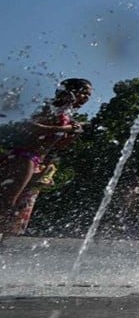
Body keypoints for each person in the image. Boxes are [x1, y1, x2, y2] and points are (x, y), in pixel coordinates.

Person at [1, 78, 92, 239]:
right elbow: (29, 126)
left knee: (18, 211)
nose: (86, 98)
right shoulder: (52, 107)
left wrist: (71, 135)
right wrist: (65, 128)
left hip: (38, 163)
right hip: (24, 157)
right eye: (84, 93)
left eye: (89, 96)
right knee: (8, 202)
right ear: (71, 91)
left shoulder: (67, 115)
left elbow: (58, 145)